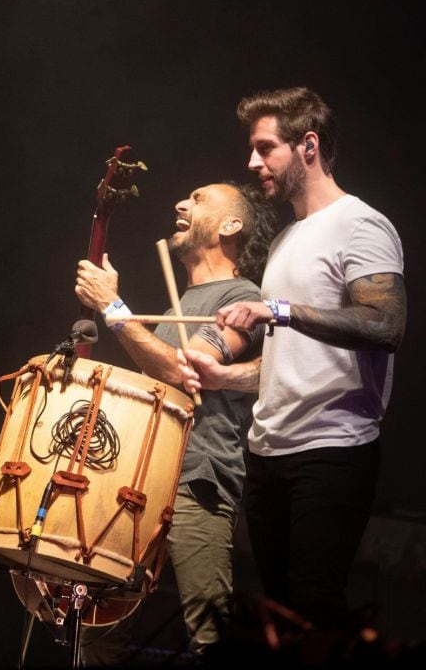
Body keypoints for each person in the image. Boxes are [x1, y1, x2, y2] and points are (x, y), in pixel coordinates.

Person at [179, 87, 406, 633]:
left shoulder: (361, 224)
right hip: (268, 454)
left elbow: (385, 324)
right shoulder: (285, 240)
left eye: (265, 148)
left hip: (331, 451)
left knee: (313, 613)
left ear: (309, 145)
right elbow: (291, 361)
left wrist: (277, 309)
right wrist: (226, 375)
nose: (252, 162)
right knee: (277, 620)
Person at [72, 181, 276, 662]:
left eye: (199, 198)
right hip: (140, 486)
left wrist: (112, 308)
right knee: (99, 627)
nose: (181, 204)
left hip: (195, 481)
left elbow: (190, 369)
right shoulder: (170, 314)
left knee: (207, 633)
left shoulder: (242, 294)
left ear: (231, 225)